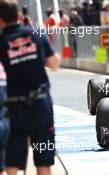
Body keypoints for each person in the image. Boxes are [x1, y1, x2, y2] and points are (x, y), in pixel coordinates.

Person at [0, 1, 60, 175]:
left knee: (11, 163)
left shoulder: (2, 41)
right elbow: (54, 63)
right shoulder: (36, 33)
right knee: (43, 162)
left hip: (14, 110)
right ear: (18, 14)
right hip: (41, 107)